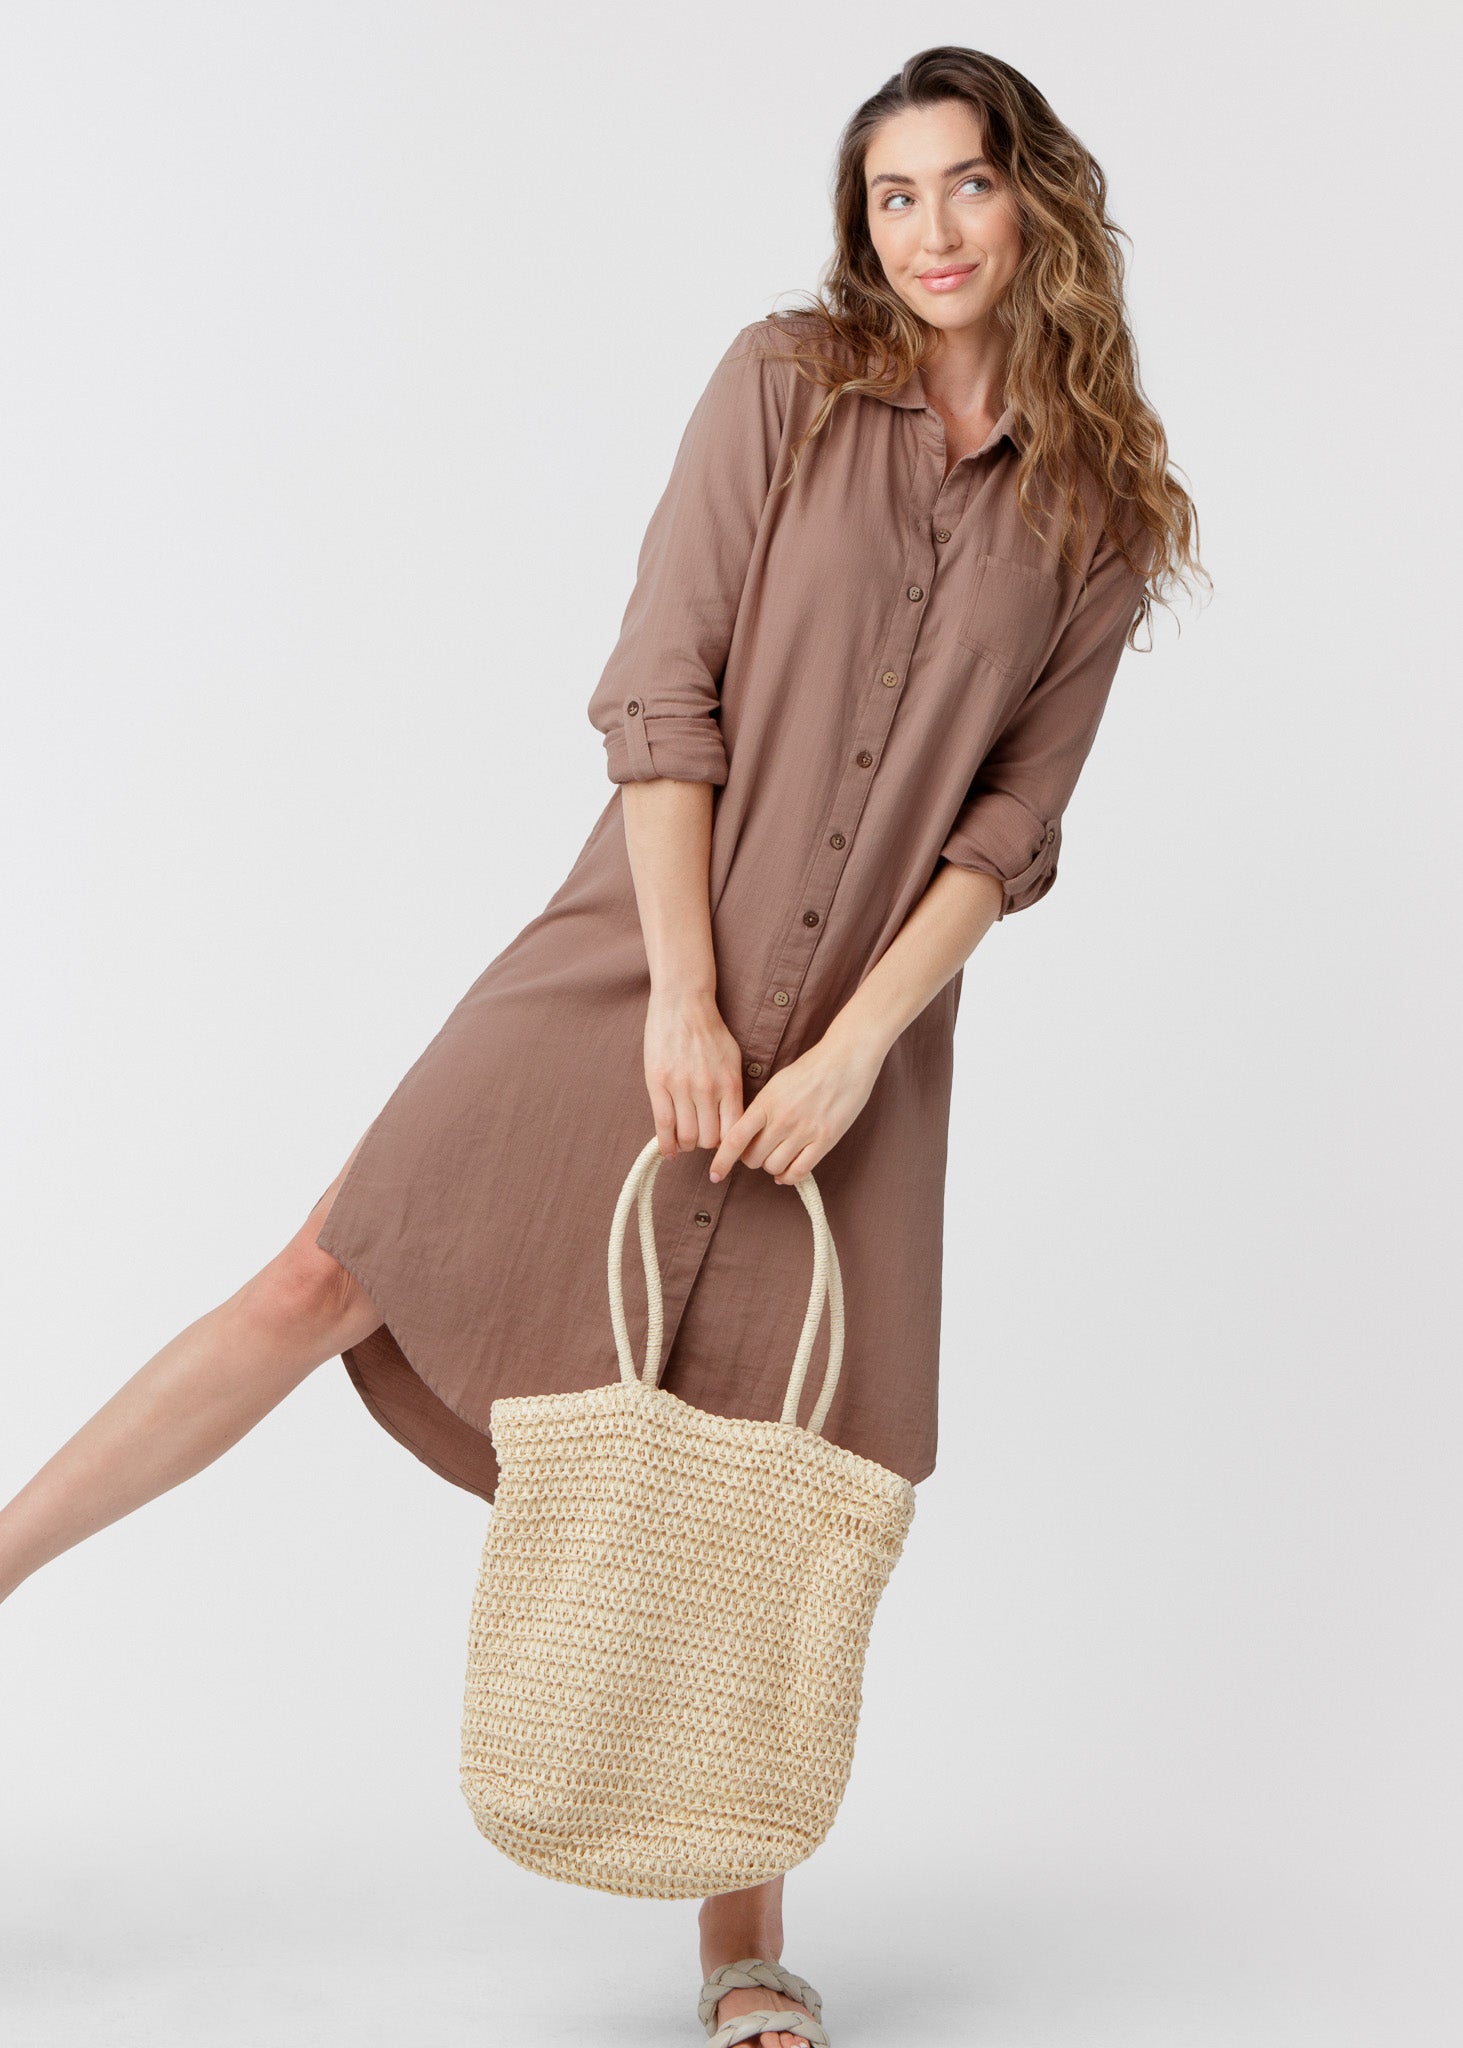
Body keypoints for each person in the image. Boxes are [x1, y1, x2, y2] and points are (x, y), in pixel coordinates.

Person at [1, 46, 1205, 2048]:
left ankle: (742, 1946)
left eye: (963, 188)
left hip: (867, 1054)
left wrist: (846, 1058)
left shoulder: (1105, 512)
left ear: (1038, 201)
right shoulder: (783, 387)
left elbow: (1011, 832)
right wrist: (684, 992)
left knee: (769, 1452)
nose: (927, 231)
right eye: (891, 196)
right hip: (630, 967)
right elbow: (666, 689)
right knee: (331, 1265)